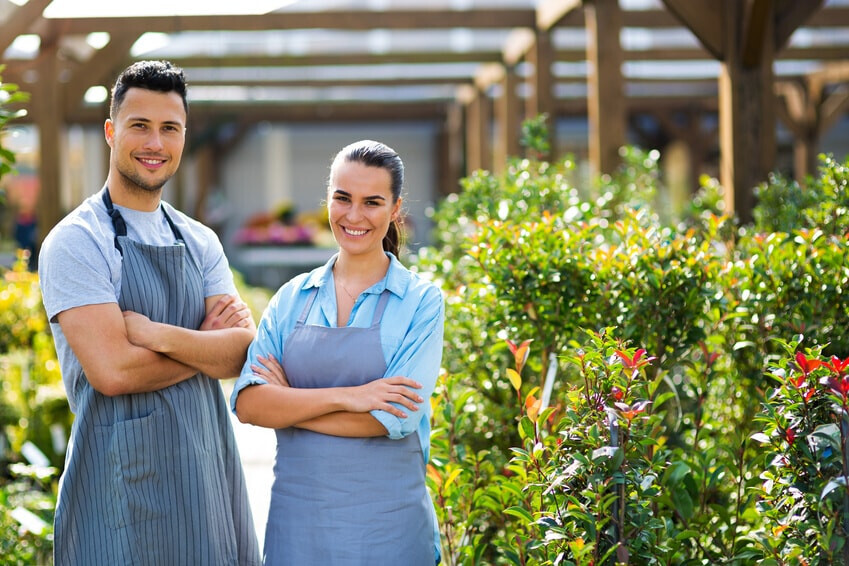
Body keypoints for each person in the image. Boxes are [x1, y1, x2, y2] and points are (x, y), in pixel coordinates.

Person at [38, 60, 261, 566]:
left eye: (170, 128)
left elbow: (240, 354)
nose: (155, 143)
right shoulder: (78, 242)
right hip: (119, 486)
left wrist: (155, 334)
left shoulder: (200, 240)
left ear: (184, 136)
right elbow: (113, 372)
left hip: (207, 480)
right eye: (140, 125)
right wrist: (204, 343)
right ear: (111, 132)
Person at [232, 140, 444, 565]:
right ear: (327, 198)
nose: (353, 215)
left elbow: (392, 419)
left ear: (395, 209)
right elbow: (250, 405)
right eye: (342, 198)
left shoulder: (420, 302)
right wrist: (353, 396)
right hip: (298, 531)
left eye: (372, 202)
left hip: (389, 533)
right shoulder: (291, 298)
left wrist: (289, 404)